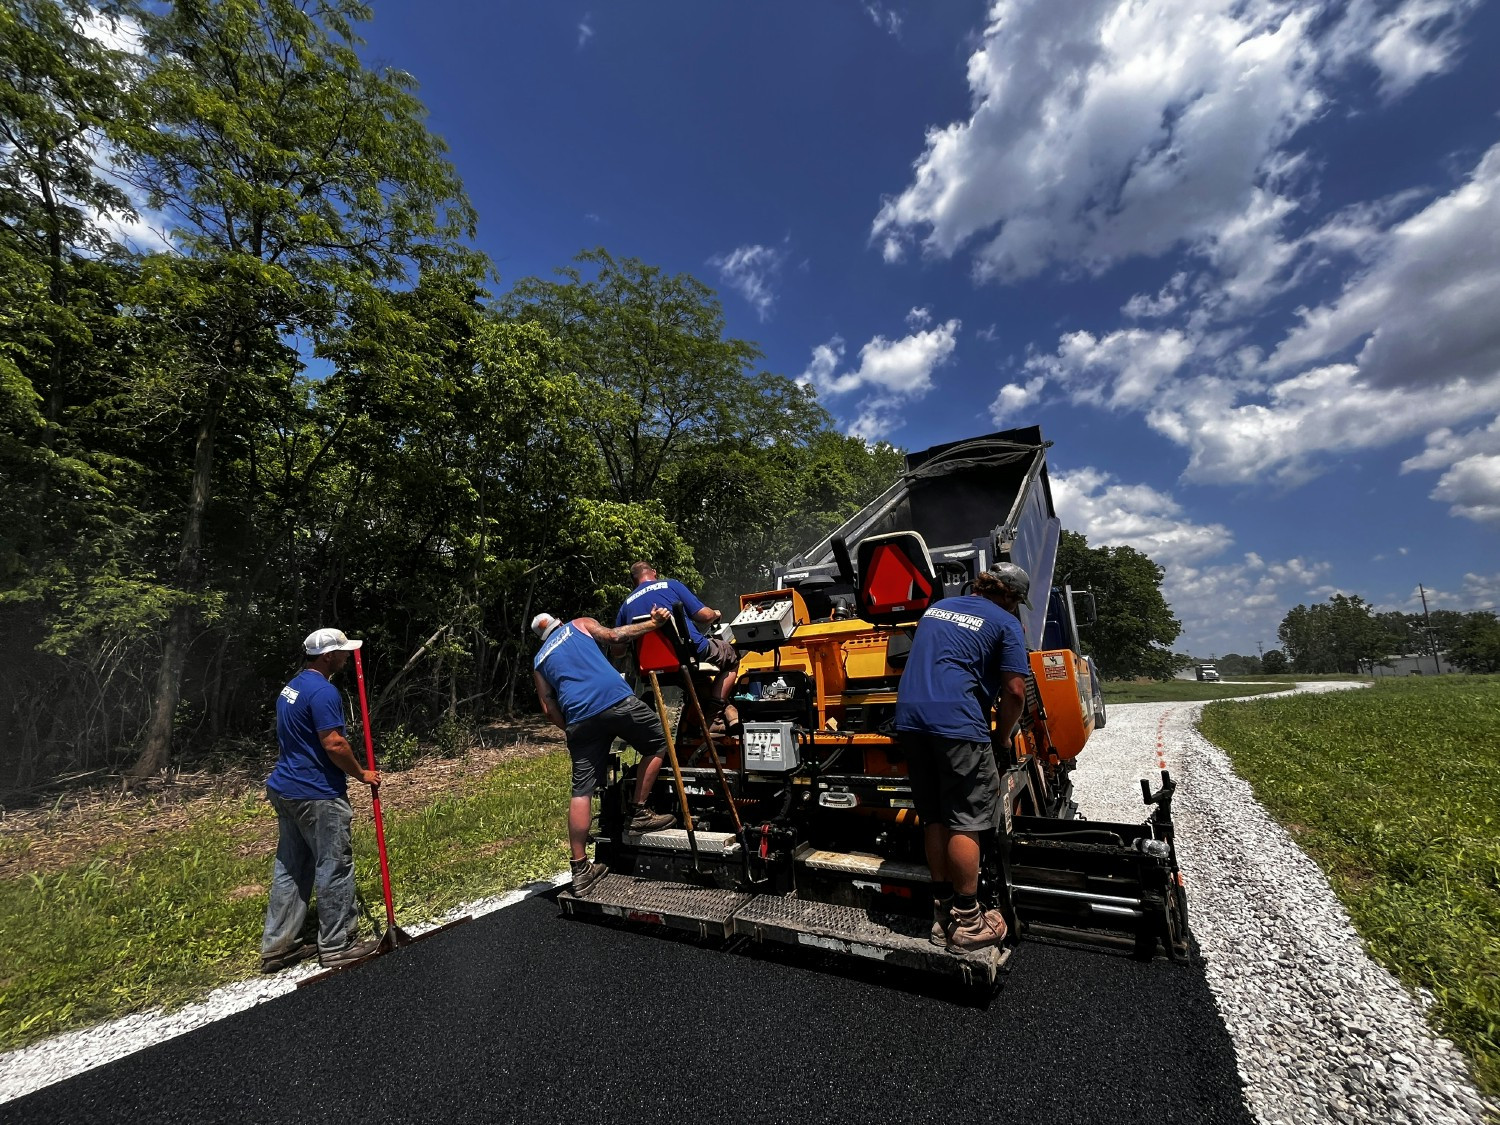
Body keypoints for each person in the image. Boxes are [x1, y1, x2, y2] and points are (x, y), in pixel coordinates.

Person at [894, 563, 1032, 952]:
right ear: (1009, 596)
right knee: (966, 819)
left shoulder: (936, 609)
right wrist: (1002, 738)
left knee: (934, 816)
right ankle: (969, 923)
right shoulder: (1006, 624)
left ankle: (942, 912)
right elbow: (1016, 692)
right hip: (957, 723)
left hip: (910, 719)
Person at [532, 605, 679, 895]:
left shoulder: (539, 660)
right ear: (559, 622)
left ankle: (581, 869)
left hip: (578, 719)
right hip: (615, 702)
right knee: (658, 742)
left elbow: (548, 709)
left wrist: (572, 729)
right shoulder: (578, 623)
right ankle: (639, 813)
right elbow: (614, 636)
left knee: (581, 791)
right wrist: (653, 623)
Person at [260, 628, 382, 973]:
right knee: (334, 865)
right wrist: (362, 775)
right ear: (328, 656)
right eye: (342, 651)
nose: (347, 656)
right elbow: (334, 744)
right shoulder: (324, 692)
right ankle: (338, 943)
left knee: (291, 867)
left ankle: (279, 947)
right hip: (316, 794)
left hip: (285, 788)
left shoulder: (292, 687)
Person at [616, 562, 741, 728]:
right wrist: (715, 613)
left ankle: (710, 719)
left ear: (634, 581)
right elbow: (703, 616)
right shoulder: (670, 585)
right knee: (732, 656)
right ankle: (714, 714)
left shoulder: (625, 606)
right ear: (654, 572)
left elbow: (618, 651)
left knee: (699, 679)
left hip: (653, 668)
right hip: (688, 655)